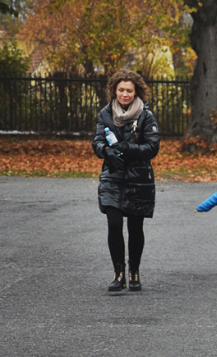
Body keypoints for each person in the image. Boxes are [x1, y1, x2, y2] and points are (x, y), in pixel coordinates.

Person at [92, 69, 159, 292]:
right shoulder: (105, 113)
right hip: (112, 176)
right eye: (121, 90)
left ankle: (134, 272)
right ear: (114, 90)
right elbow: (98, 140)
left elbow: (152, 147)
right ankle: (118, 274)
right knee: (113, 224)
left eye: (129, 90)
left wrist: (127, 148)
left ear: (136, 91)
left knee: (135, 226)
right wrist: (106, 151)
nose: (125, 94)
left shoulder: (146, 116)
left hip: (138, 178)